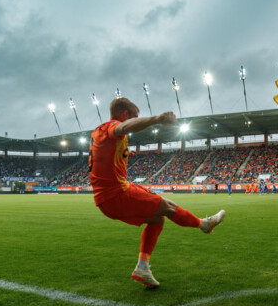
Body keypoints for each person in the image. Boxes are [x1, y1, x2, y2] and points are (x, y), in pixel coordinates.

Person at [89, 97, 225, 289]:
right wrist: (156, 119)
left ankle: (142, 267)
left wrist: (124, 153)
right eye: (134, 117)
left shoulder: (98, 132)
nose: (136, 121)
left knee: (157, 218)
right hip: (117, 194)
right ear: (126, 115)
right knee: (168, 206)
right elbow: (121, 128)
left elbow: (106, 155)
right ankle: (204, 225)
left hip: (107, 198)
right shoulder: (113, 126)